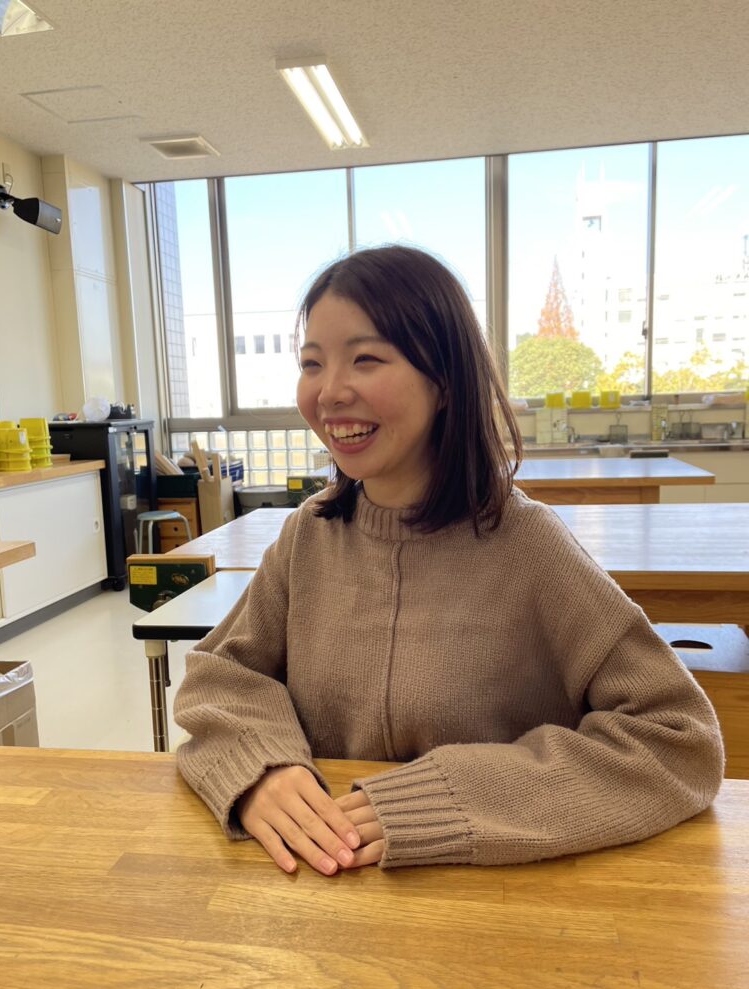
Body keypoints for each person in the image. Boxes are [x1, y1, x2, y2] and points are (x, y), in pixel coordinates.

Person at [174, 244, 724, 876]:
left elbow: (679, 738)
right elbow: (220, 675)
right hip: (322, 894)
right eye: (312, 364)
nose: (329, 392)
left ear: (444, 381)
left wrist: (450, 800)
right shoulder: (309, 536)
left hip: (491, 903)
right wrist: (260, 768)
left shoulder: (529, 545)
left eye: (366, 359)